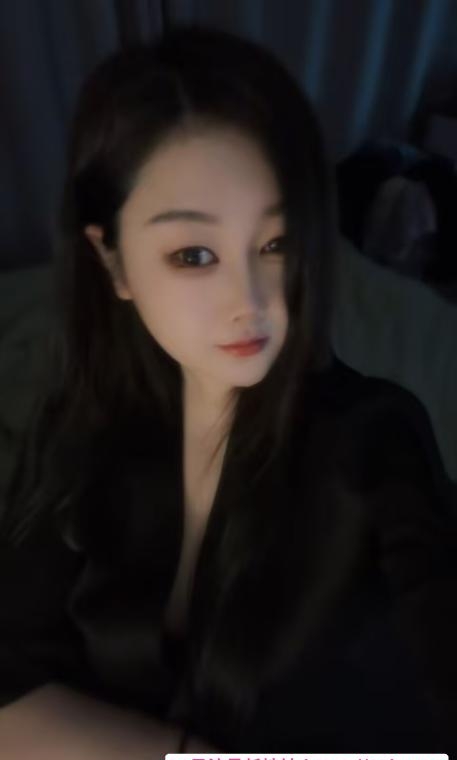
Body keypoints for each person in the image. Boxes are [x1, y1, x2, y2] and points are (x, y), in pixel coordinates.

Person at [1, 22, 456, 757]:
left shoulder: (375, 438)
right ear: (112, 262)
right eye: (193, 254)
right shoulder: (79, 428)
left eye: (275, 244)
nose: (251, 299)